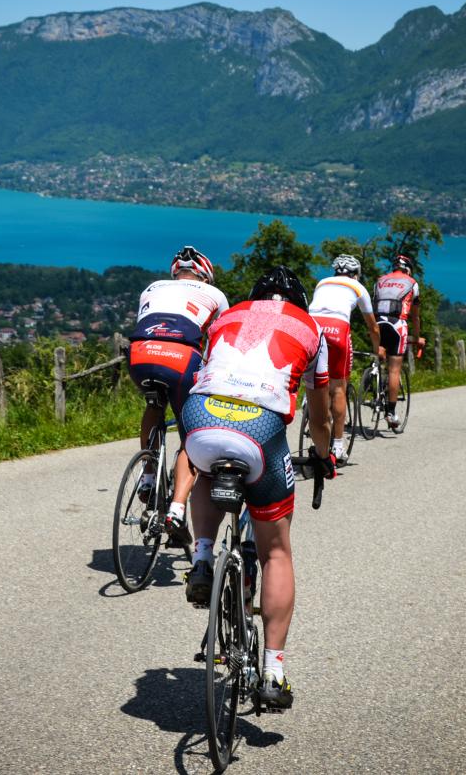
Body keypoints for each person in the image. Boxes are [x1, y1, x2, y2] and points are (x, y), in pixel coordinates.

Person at [180, 266, 334, 709]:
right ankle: (273, 671)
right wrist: (322, 456)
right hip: (260, 430)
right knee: (276, 552)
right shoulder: (311, 328)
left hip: (201, 419)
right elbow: (320, 414)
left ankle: (203, 557)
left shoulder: (227, 315)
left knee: (208, 469)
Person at [126, 246, 229, 539]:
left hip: (140, 353)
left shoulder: (152, 287)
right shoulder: (216, 294)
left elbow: (146, 324)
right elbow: (224, 337)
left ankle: (147, 475)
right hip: (180, 357)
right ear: (205, 277)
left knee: (155, 406)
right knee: (191, 435)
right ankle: (177, 509)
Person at [309, 254, 384, 465]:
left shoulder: (322, 282)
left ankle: (309, 402)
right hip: (337, 328)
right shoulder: (358, 287)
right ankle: (338, 445)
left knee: (314, 375)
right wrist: (377, 349)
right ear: (356, 274)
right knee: (338, 388)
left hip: (312, 325)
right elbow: (373, 326)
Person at [373, 253, 425, 428]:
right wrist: (417, 338)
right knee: (394, 369)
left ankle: (372, 379)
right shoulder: (412, 283)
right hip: (397, 325)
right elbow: (415, 316)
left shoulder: (380, 280)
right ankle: (391, 412)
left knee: (380, 353)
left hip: (377, 323)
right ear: (408, 269)